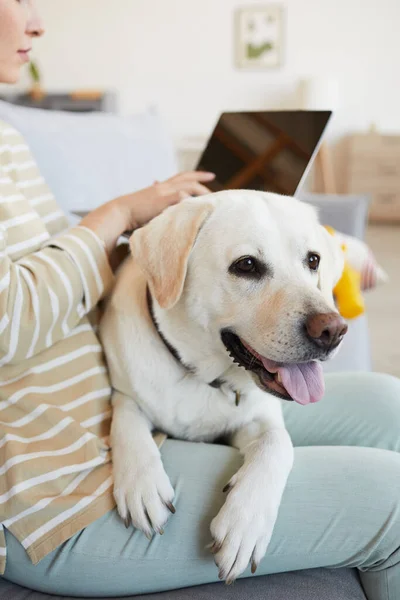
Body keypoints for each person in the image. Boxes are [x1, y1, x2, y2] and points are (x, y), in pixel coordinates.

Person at [0, 2, 399, 599]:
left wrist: (185, 225)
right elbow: (9, 319)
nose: (37, 23)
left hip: (108, 412)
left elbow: (55, 260)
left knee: (391, 402)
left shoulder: (7, 135)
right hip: (56, 480)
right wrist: (120, 216)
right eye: (17, 1)